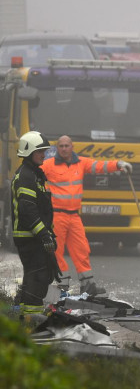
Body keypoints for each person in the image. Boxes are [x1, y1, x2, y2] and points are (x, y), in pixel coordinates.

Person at [41, 135, 132, 295]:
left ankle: (88, 285)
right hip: (57, 216)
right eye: (61, 146)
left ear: (72, 146)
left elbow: (100, 166)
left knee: (81, 249)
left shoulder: (81, 163)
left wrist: (119, 164)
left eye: (66, 146)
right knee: (56, 251)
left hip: (74, 216)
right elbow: (33, 174)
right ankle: (62, 286)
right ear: (57, 148)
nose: (63, 148)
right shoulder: (49, 165)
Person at [11, 131, 58, 322]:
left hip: (33, 236)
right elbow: (28, 210)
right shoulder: (27, 176)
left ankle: (24, 314)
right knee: (38, 276)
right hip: (29, 236)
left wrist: (47, 233)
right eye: (40, 151)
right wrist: (43, 234)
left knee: (39, 274)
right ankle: (32, 320)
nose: (44, 154)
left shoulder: (33, 174)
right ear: (29, 151)